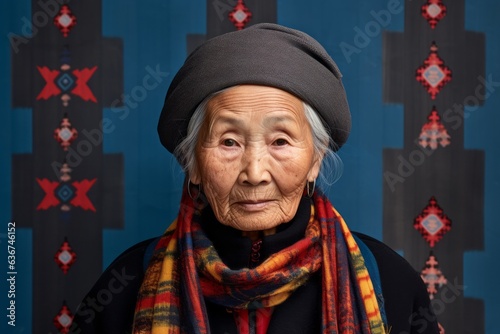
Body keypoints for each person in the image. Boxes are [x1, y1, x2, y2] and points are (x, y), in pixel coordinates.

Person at [73, 23, 440, 334]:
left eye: (280, 140)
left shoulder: (388, 280)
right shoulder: (126, 283)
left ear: (316, 160)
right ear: (193, 163)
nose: (254, 173)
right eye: (229, 142)